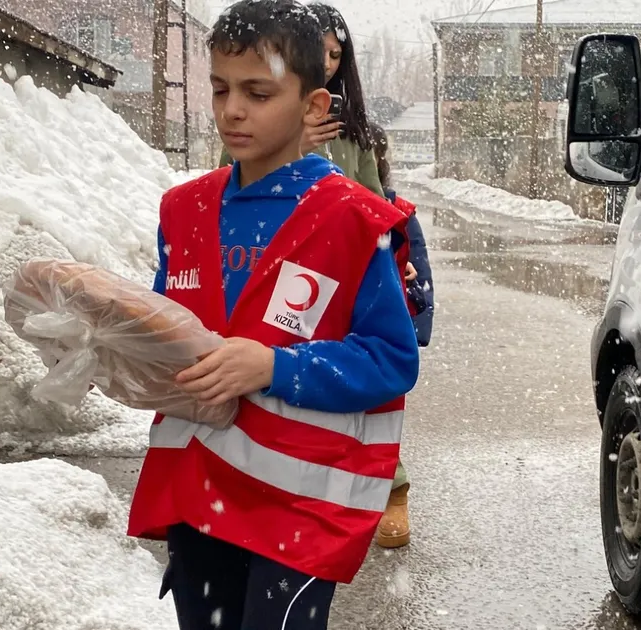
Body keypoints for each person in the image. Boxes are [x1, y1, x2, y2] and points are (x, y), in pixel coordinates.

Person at [129, 2, 419, 628]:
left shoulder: (350, 218)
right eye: (220, 88)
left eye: (258, 93)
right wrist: (109, 342)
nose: (232, 110)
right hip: (199, 485)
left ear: (314, 106)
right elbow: (165, 331)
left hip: (301, 502)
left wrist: (273, 364)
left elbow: (391, 359)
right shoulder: (184, 210)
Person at [218, 3, 384, 200]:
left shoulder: (353, 127)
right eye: (319, 51)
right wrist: (290, 150)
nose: (326, 63)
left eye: (335, 55)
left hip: (336, 229)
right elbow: (225, 190)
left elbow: (375, 206)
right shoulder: (258, 116)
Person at [369, 124, 435, 549]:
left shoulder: (399, 214)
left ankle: (394, 486)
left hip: (378, 327)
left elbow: (422, 279)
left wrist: (410, 323)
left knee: (376, 409)